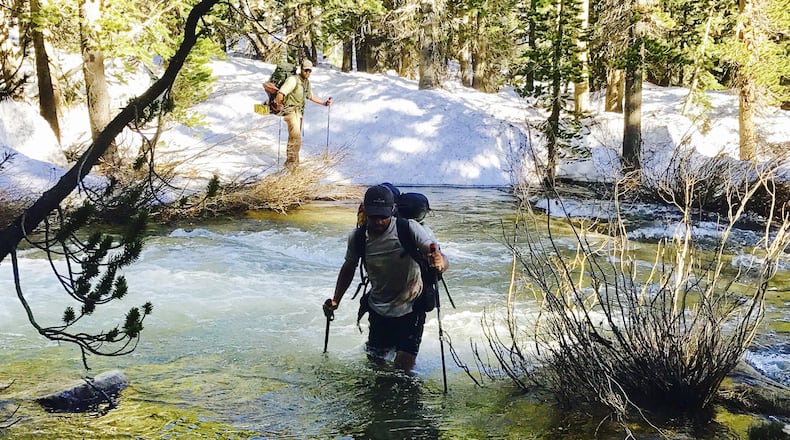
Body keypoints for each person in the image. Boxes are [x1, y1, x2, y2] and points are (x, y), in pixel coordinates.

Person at [325, 185, 449, 371]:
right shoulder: (358, 237)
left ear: (392, 210)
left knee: (403, 366)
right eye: (373, 216)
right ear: (365, 211)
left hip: (412, 305)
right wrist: (336, 300)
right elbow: (348, 268)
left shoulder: (409, 228)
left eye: (383, 216)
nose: (378, 221)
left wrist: (440, 262)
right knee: (375, 365)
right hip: (379, 307)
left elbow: (436, 252)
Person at [272, 59, 332, 169]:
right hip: (290, 111)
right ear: (301, 69)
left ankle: (294, 163)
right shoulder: (293, 80)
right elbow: (281, 93)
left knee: (294, 138)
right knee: (296, 138)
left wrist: (324, 103)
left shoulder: (306, 83)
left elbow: (310, 96)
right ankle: (291, 164)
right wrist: (278, 105)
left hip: (299, 112)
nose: (308, 73)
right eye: (306, 70)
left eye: (310, 71)